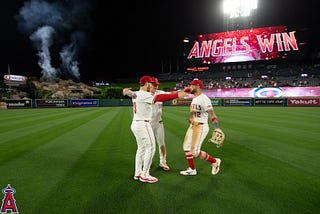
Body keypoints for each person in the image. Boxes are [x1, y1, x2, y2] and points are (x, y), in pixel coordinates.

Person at [124, 75, 187, 183]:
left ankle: (138, 173)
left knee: (141, 149)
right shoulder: (144, 94)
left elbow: (131, 93)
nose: (152, 85)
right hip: (143, 124)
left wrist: (126, 91)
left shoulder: (137, 94)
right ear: (147, 84)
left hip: (136, 123)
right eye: (150, 83)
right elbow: (158, 98)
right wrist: (177, 94)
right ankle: (145, 174)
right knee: (151, 147)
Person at [123, 77, 171, 171]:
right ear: (149, 84)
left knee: (161, 143)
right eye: (154, 84)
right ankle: (145, 163)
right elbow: (130, 93)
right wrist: (125, 91)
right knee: (146, 145)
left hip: (158, 123)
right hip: (147, 124)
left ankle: (163, 161)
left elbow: (171, 94)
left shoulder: (160, 93)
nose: (156, 86)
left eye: (157, 85)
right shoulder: (142, 94)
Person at [180, 78, 222, 176]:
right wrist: (191, 119)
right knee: (186, 147)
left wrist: (216, 127)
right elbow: (194, 113)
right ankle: (192, 169)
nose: (190, 87)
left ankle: (215, 161)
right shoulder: (194, 97)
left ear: (198, 86)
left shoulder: (204, 99)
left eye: (192, 85)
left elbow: (212, 115)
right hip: (193, 125)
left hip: (201, 126)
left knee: (194, 152)